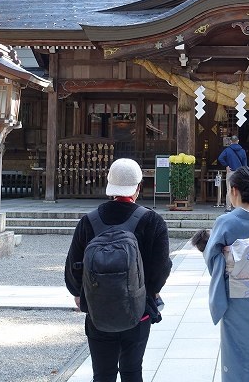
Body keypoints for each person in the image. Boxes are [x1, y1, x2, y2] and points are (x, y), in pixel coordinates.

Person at [65, 158, 172, 382]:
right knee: (133, 372)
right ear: (139, 187)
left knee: (102, 375)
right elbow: (161, 267)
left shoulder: (89, 221)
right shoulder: (152, 221)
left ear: (109, 185)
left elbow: (73, 267)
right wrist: (151, 290)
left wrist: (79, 294)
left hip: (98, 311)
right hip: (139, 310)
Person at [204, 165, 249, 382]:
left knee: (235, 347)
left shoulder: (225, 222)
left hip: (235, 296)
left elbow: (212, 258)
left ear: (234, 190)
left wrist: (228, 259)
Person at [217, 135, 248, 212]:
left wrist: (226, 165)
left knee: (229, 190)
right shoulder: (242, 151)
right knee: (239, 190)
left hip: (230, 171)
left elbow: (220, 158)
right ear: (238, 141)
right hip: (240, 172)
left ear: (230, 141)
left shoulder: (227, 150)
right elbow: (245, 163)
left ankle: (228, 208)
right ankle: (238, 207)